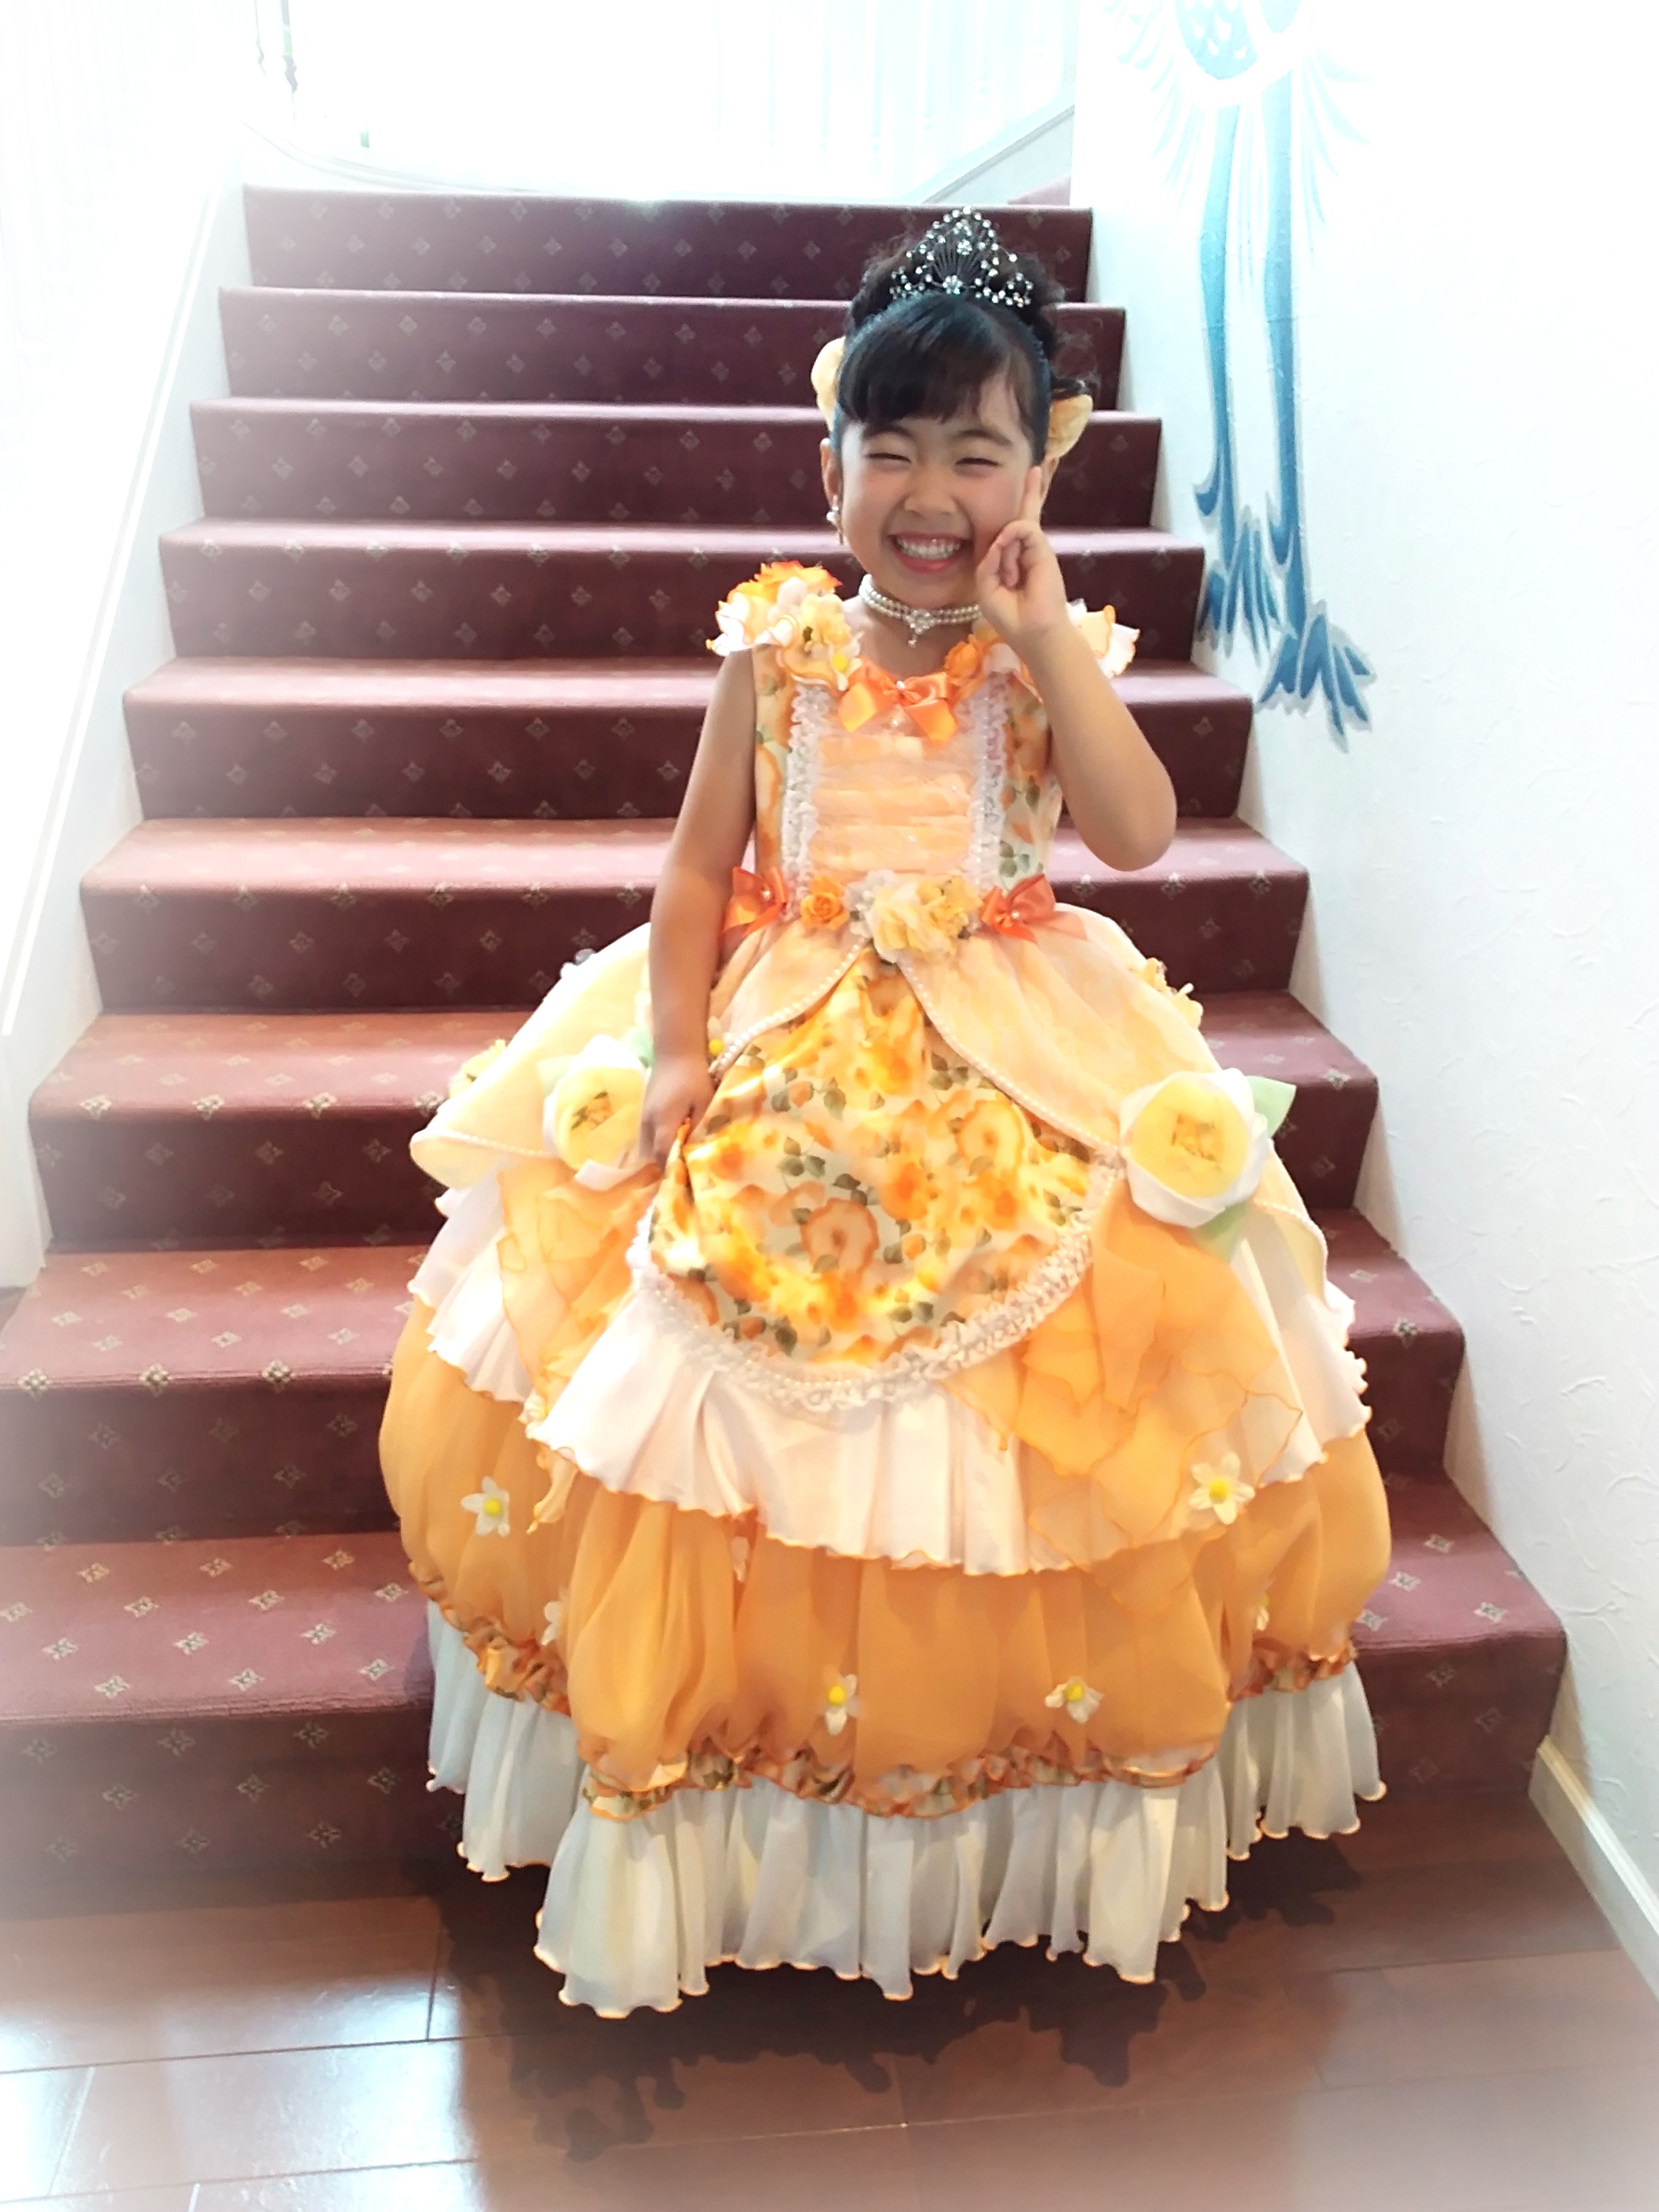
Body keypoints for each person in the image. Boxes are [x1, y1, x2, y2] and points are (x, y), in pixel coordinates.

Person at [380, 209, 1392, 2019]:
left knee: (1058, 1335)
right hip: (790, 1009)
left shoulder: (1039, 649)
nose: (931, 492)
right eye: (894, 448)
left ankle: (984, 1771)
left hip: (1012, 1027)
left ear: (1037, 475)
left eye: (977, 452)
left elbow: (1140, 833)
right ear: (831, 461)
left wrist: (1043, 635)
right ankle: (732, 1756)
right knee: (707, 1316)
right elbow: (697, 872)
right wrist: (674, 1049)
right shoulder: (775, 650)